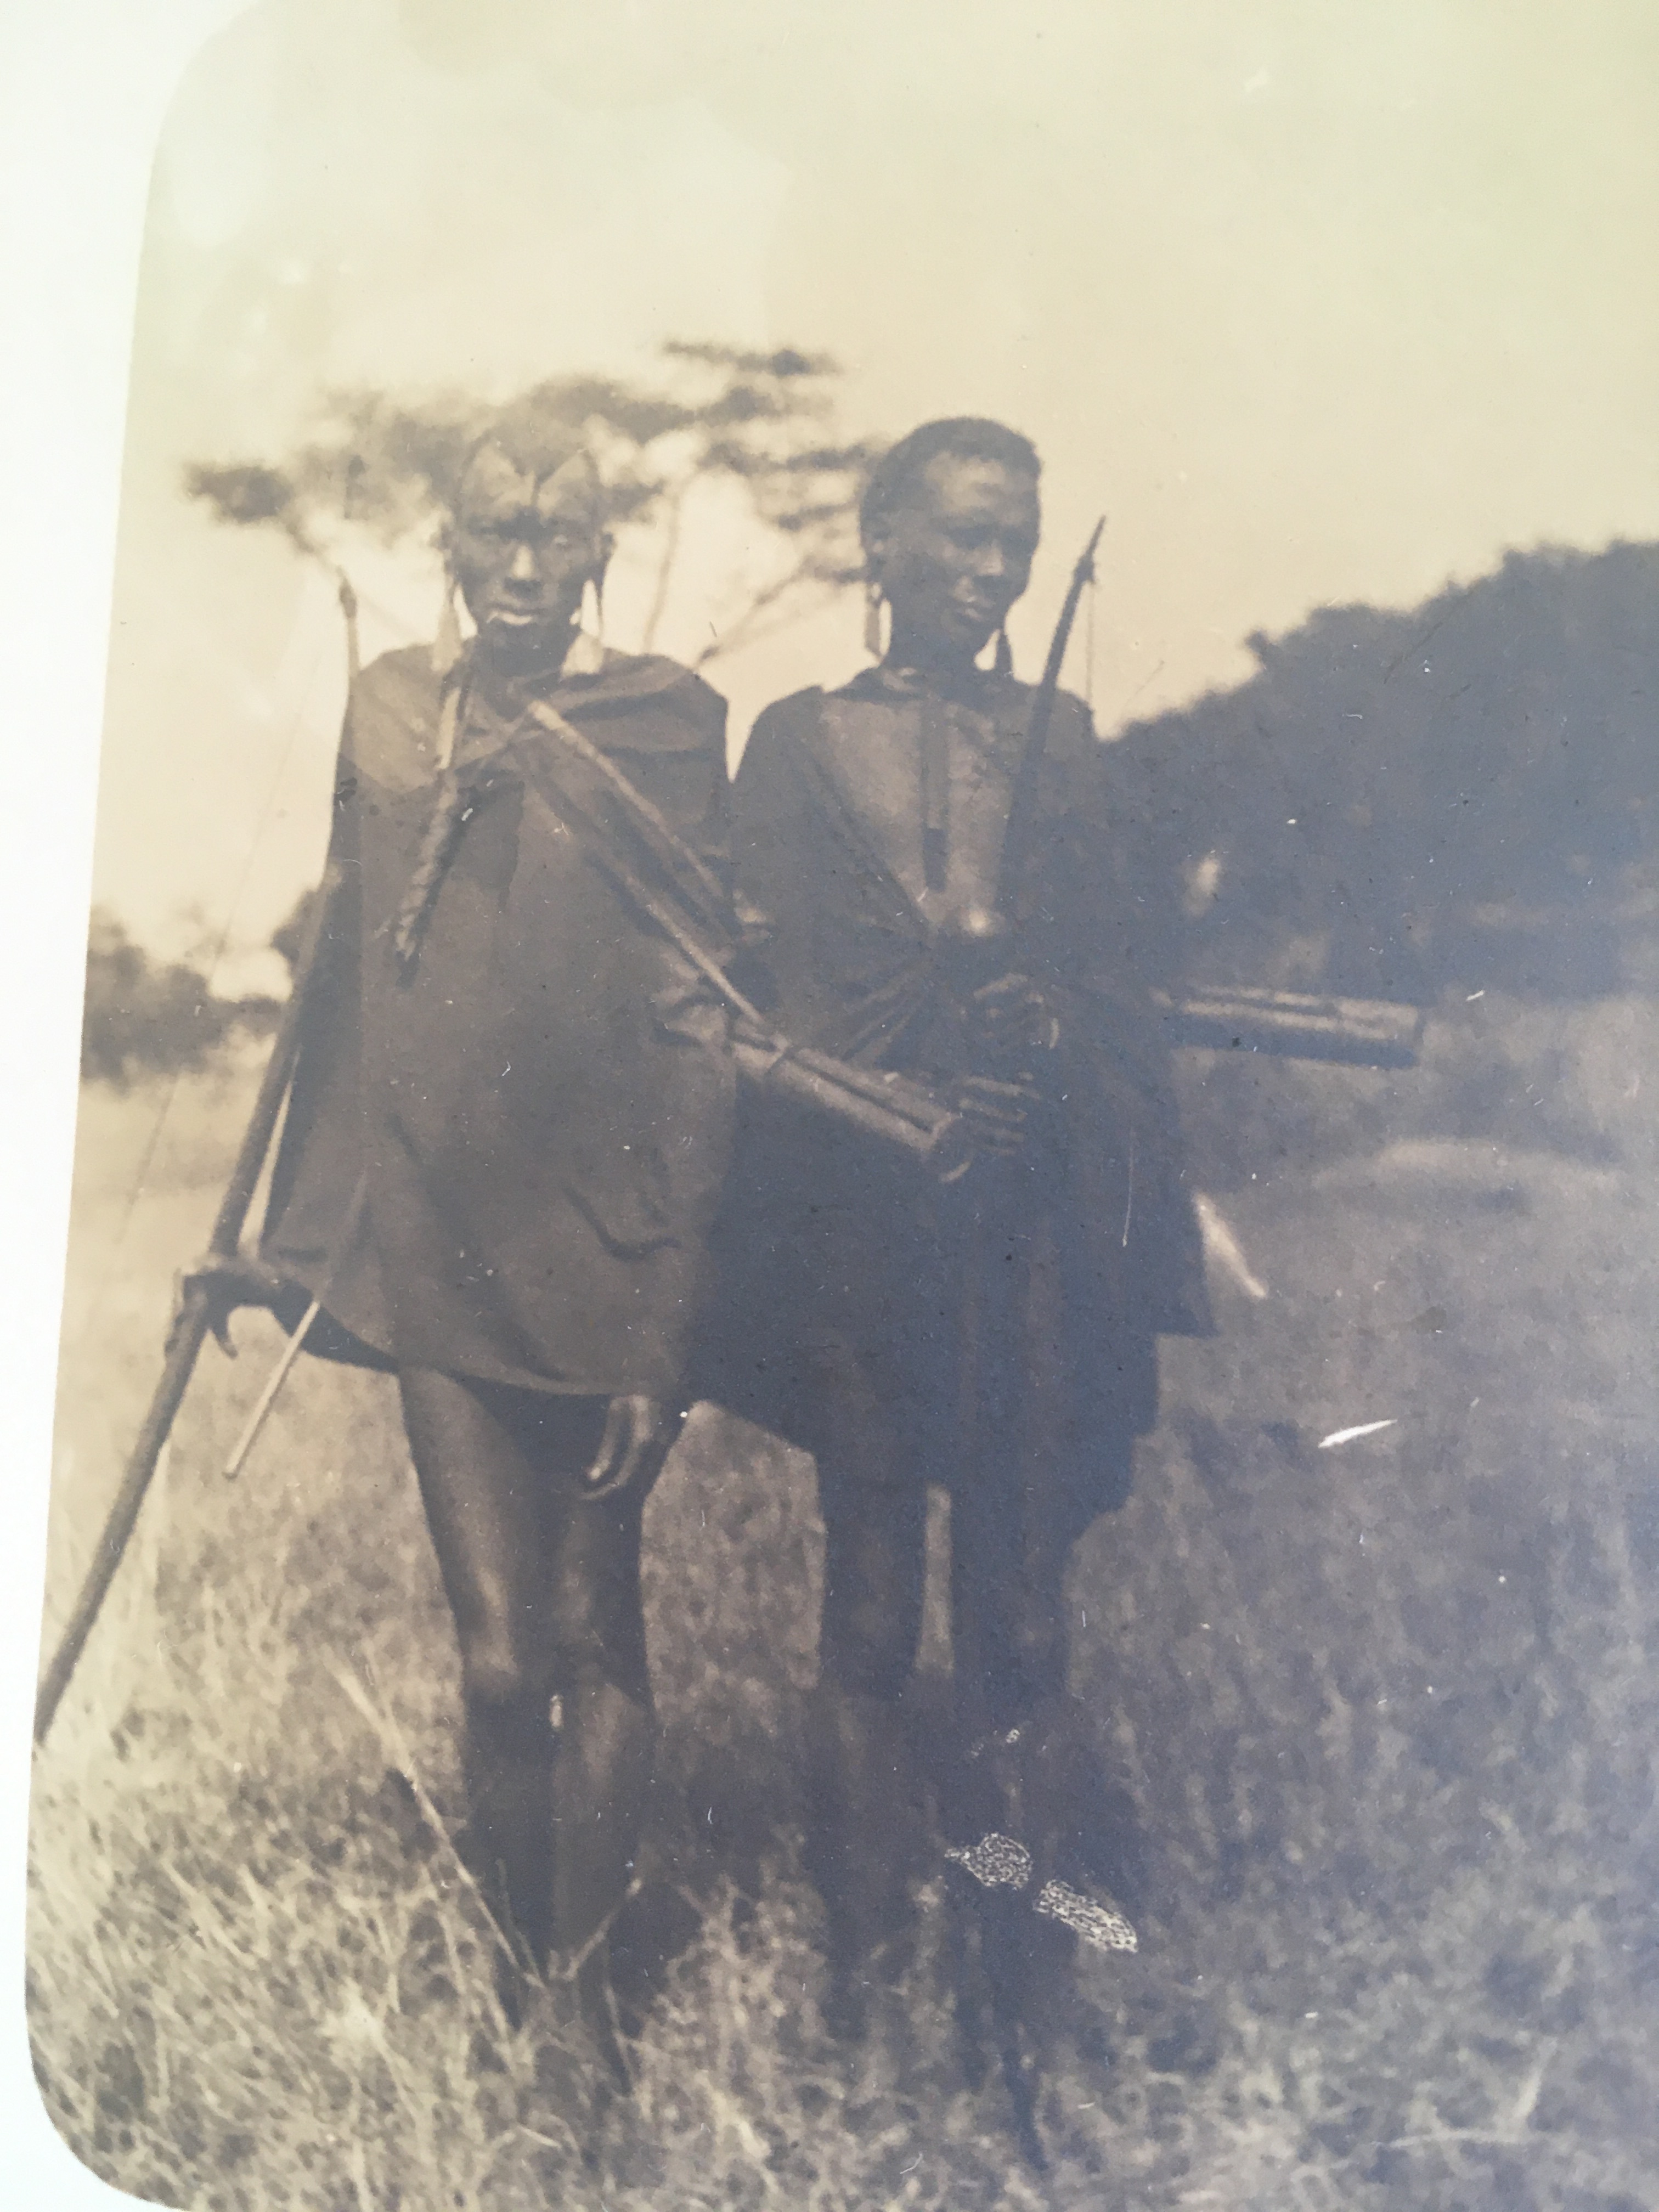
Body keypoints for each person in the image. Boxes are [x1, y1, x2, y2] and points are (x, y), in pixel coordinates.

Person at [187, 398, 736, 2080]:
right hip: (438, 1238)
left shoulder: (664, 725)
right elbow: (347, 987)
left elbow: (701, 1023)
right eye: (497, 530)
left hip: (608, 1246)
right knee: (501, 1663)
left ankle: (588, 2017)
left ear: (599, 554)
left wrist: (665, 1325)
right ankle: (521, 1984)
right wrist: (274, 1239)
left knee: (595, 1630)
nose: (524, 561)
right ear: (453, 546)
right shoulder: (387, 715)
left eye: (556, 533)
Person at [709, 418, 1211, 2062]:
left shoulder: (1063, 741)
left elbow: (1126, 984)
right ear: (882, 541)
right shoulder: (795, 745)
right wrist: (889, 1087)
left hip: (1031, 1240)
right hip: (863, 1243)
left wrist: (1046, 1028)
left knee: (1023, 1622)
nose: (990, 573)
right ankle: (864, 1991)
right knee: (866, 1621)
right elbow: (759, 997)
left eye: (1016, 545)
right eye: (961, 538)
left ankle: (1032, 1974)